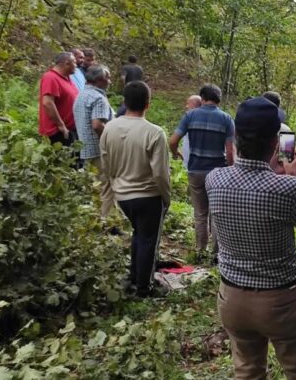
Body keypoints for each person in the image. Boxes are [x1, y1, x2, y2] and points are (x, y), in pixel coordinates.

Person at [207, 97, 296, 379]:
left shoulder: (214, 180)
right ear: (275, 143)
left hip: (232, 298)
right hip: (282, 301)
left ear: (235, 138)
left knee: (247, 371)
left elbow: (245, 179)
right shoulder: (287, 189)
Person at [100, 81, 171, 298]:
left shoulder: (109, 128)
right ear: (148, 104)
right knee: (149, 240)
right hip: (148, 195)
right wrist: (166, 197)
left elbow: (106, 166)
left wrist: (111, 193)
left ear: (124, 101)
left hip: (122, 195)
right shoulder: (154, 133)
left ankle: (134, 276)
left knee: (139, 235)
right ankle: (144, 288)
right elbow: (160, 173)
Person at [168, 84, 234, 262]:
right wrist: (230, 170)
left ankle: (200, 250)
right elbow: (230, 152)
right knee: (216, 213)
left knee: (200, 213)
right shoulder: (226, 119)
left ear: (202, 97)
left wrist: (176, 153)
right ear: (218, 99)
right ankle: (216, 254)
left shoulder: (190, 115)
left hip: (196, 169)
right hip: (218, 173)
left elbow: (173, 140)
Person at [73, 65, 116, 220]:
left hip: (86, 149)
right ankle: (109, 222)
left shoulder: (81, 95)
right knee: (107, 187)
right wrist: (111, 141)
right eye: (108, 77)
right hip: (99, 151)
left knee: (95, 188)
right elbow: (98, 125)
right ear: (99, 80)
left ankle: (96, 220)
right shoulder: (98, 98)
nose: (110, 81)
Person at [38, 52, 79, 147]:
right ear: (67, 63)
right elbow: (48, 103)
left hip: (70, 129)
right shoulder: (51, 77)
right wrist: (61, 125)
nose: (76, 66)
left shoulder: (67, 77)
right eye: (75, 62)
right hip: (58, 132)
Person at [181, 94, 203, 170]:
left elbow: (174, 141)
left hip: (193, 165)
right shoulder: (188, 118)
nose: (186, 106)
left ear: (195, 106)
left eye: (188, 103)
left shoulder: (191, 120)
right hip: (189, 163)